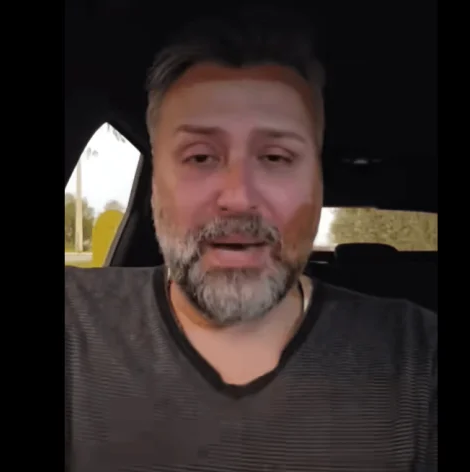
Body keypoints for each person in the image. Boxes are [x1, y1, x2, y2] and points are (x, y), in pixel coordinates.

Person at [65, 8, 437, 471]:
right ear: (155, 184)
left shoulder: (421, 360)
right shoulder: (74, 322)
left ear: (318, 186)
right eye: (200, 157)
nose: (239, 198)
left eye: (276, 157)